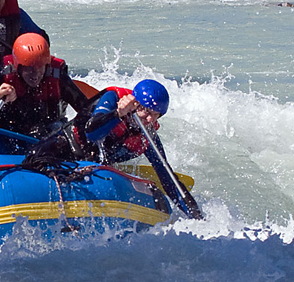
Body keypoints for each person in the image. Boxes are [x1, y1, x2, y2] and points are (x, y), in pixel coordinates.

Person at [24, 79, 202, 219]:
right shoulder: (113, 99)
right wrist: (117, 114)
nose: (149, 120)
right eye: (146, 112)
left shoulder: (147, 136)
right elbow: (92, 132)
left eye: (155, 116)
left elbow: (168, 179)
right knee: (33, 156)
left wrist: (197, 218)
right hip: (69, 144)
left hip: (94, 164)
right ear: (135, 105)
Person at [0, 33, 93, 149]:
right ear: (18, 67)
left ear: (47, 65)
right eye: (29, 68)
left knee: (48, 130)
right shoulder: (4, 73)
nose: (35, 75)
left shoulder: (57, 76)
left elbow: (84, 108)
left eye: (40, 67)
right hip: (10, 130)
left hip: (49, 128)